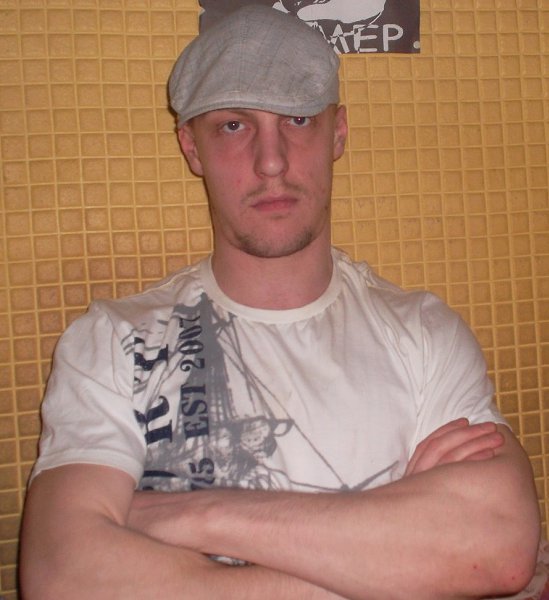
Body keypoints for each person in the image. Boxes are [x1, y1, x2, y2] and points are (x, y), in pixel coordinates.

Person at [20, 5, 540, 600]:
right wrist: (399, 558)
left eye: (297, 119)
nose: (271, 161)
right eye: (233, 126)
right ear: (192, 148)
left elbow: (499, 548)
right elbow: (62, 579)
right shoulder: (113, 342)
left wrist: (196, 515)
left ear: (337, 133)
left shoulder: (423, 334)